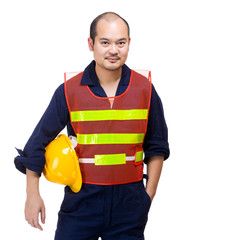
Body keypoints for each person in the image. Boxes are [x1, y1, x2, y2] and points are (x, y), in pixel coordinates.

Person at [14, 12, 170, 240]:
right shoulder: (69, 90)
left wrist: (148, 196)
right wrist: (32, 194)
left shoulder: (145, 89)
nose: (113, 50)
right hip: (81, 203)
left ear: (129, 44)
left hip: (130, 204)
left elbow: (157, 146)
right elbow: (36, 144)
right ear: (91, 43)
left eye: (121, 42)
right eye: (105, 42)